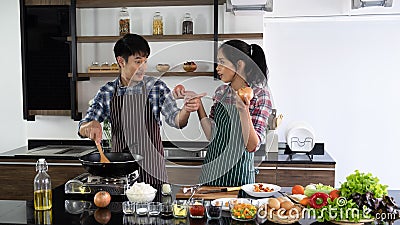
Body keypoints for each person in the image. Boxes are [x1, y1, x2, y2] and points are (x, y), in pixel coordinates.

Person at [78, 34, 200, 186]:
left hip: (153, 172)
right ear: (121, 61)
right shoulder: (107, 92)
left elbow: (176, 120)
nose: (143, 67)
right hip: (120, 176)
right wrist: (89, 126)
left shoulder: (156, 88)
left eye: (145, 61)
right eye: (138, 62)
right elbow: (83, 126)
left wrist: (186, 111)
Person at [197, 40, 272, 186]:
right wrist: (198, 106)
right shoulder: (220, 92)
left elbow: (251, 146)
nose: (218, 68)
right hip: (211, 175)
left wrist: (243, 110)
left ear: (239, 64)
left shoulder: (260, 95)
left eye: (222, 62)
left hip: (239, 179)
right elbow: (212, 135)